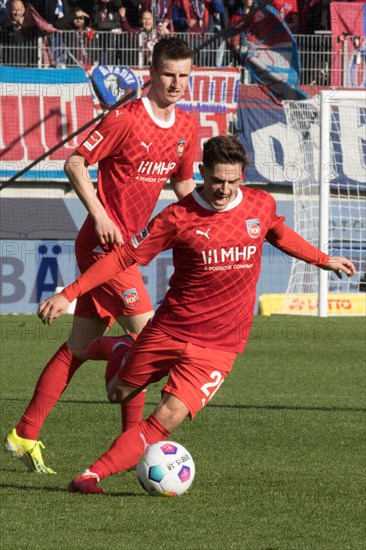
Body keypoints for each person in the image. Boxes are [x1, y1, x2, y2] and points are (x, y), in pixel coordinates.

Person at [37, 135, 356, 494]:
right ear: (201, 171)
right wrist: (69, 293)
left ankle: (89, 476)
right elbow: (123, 257)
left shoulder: (259, 205)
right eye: (217, 180)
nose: (224, 189)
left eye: (232, 181)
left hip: (220, 346)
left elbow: (279, 234)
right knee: (117, 394)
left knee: (167, 417)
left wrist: (322, 259)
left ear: (243, 176)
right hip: (170, 330)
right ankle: (120, 348)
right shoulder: (177, 216)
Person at [4, 37, 198, 474]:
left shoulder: (187, 128)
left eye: (184, 75)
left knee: (78, 346)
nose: (176, 83)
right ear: (152, 72)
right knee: (149, 342)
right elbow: (74, 162)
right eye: (169, 73)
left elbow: (185, 190)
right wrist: (101, 214)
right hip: (103, 244)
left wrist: (208, 227)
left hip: (130, 251)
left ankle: (24, 432)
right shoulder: (125, 119)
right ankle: (135, 447)